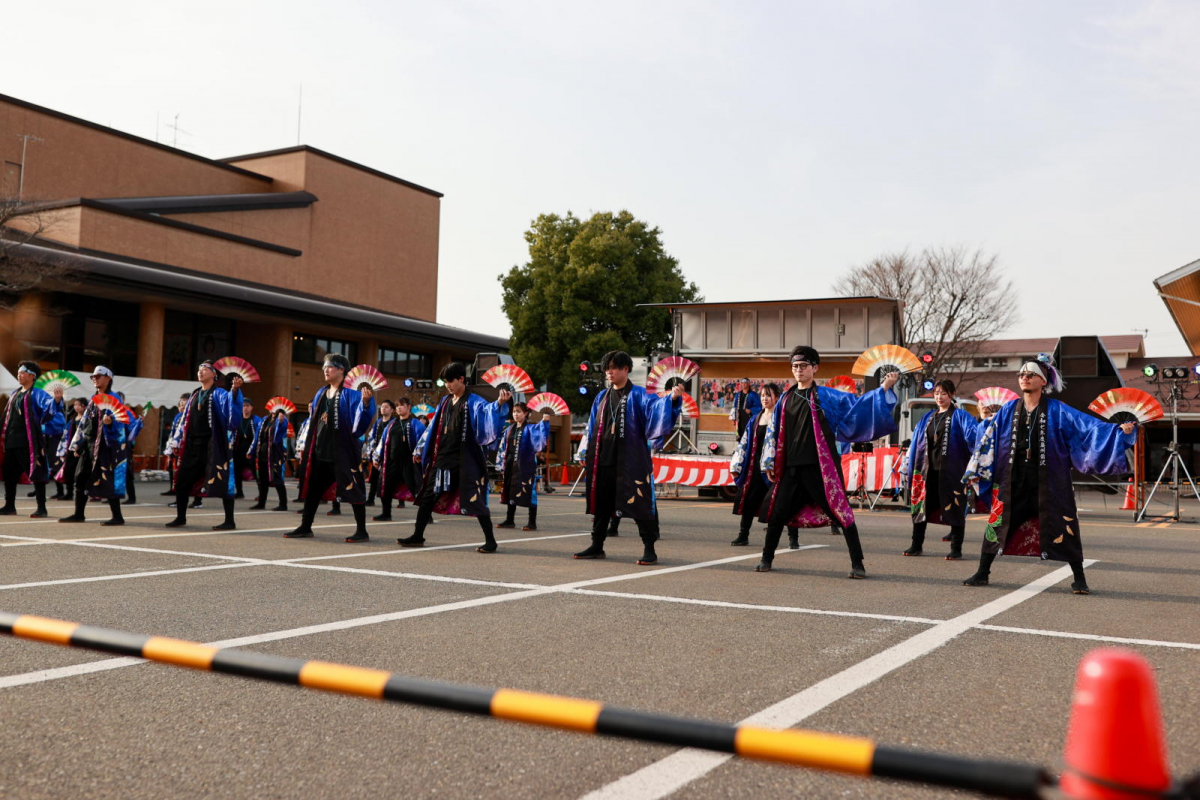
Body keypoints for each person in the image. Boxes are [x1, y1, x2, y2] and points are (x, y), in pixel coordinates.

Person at [961, 355, 1135, 595]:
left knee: (1064, 524)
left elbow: (1088, 428)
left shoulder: (1058, 410)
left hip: (1050, 480)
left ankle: (1079, 577)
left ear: (1043, 381)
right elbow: (988, 438)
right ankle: (983, 572)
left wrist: (1119, 432)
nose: (1024, 378)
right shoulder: (1009, 409)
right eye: (1021, 375)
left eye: (1030, 374)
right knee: (998, 522)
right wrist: (976, 468)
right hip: (1013, 478)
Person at [756, 346, 899, 578]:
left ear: (815, 368)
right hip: (791, 467)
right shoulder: (784, 398)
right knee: (777, 515)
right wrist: (769, 462)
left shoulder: (827, 396)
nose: (798, 370)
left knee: (841, 513)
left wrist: (884, 388)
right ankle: (766, 559)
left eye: (803, 366)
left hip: (820, 468)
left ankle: (858, 564)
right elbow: (773, 432)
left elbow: (858, 406)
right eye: (794, 366)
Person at [574, 350, 683, 565]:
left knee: (640, 501)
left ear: (626, 369)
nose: (609, 372)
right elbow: (591, 427)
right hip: (603, 458)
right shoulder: (601, 397)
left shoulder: (639, 395)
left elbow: (656, 410)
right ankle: (597, 545)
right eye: (607, 368)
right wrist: (584, 451)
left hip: (631, 460)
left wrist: (672, 399)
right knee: (602, 504)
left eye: (613, 367)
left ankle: (649, 547)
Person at [397, 362, 510, 552]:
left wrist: (499, 404)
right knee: (427, 497)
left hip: (465, 460)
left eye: (451, 381)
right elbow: (433, 428)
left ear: (461, 380)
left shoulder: (474, 401)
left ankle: (491, 541)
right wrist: (420, 449)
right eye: (446, 381)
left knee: (475, 499)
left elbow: (487, 414)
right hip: (442, 458)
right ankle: (418, 535)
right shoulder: (444, 401)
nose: (448, 385)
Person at [286, 354, 376, 542]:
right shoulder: (321, 392)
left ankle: (362, 530)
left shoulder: (352, 392)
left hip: (343, 450)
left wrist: (366, 404)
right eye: (324, 367)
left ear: (342, 369)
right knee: (313, 490)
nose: (325, 370)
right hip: (321, 450)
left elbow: (360, 424)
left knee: (354, 487)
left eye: (330, 367)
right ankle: (305, 526)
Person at [902, 380, 978, 560]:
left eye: (943, 393)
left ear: (951, 395)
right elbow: (915, 443)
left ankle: (956, 547)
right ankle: (916, 544)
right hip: (926, 471)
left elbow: (975, 438)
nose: (939, 397)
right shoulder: (927, 418)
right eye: (936, 393)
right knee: (921, 506)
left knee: (956, 508)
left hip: (952, 471)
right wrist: (907, 464)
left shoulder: (961, 416)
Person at [165, 361, 244, 530]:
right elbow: (184, 420)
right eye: (199, 369)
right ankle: (180, 517)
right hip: (192, 445)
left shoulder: (219, 393)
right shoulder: (194, 394)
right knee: (182, 481)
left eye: (205, 369)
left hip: (212, 445)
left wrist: (235, 390)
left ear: (214, 375)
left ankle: (229, 520)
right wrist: (177, 440)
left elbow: (230, 407)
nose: (201, 372)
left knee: (222, 478)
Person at [729, 383, 799, 548]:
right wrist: (737, 465)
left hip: (777, 468)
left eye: (768, 395)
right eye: (762, 395)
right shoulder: (755, 419)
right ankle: (743, 534)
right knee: (749, 500)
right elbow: (744, 443)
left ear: (776, 397)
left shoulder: (783, 417)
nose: (764, 399)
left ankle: (793, 538)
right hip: (755, 468)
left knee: (784, 503)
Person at [58, 366, 130, 526]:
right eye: (93, 377)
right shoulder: (93, 399)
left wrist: (110, 424)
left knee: (108, 478)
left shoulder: (115, 399)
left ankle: (117, 516)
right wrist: (77, 444)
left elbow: (122, 427)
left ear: (108, 378)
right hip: (89, 446)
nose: (95, 379)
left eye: (98, 376)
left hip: (107, 447)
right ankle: (78, 514)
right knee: (80, 477)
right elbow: (84, 424)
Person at [1, 362, 63, 518]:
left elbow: (48, 409)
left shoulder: (37, 394)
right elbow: (6, 417)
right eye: (18, 372)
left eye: (22, 372)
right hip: (11, 441)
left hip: (29, 441)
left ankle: (41, 508)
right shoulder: (14, 393)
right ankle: (9, 505)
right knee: (9, 475)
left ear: (32, 375)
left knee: (36, 473)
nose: (19, 374)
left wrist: (56, 401)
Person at [496, 402, 551, 531]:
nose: (516, 414)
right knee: (511, 490)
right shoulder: (509, 429)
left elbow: (541, 434)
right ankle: (510, 520)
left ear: (525, 413)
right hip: (510, 464)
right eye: (514, 411)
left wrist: (545, 421)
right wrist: (502, 465)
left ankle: (532, 522)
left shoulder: (530, 428)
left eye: (519, 411)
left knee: (529, 491)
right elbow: (503, 447)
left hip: (526, 465)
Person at [372, 398, 426, 522]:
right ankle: (386, 513)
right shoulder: (392, 424)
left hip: (409, 461)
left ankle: (426, 515)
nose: (399, 408)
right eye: (397, 406)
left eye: (401, 405)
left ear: (409, 407)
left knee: (416, 488)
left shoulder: (415, 423)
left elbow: (423, 440)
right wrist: (377, 457)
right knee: (385, 487)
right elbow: (382, 442)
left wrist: (418, 453)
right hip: (391, 461)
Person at [249, 406, 289, 511]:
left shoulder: (282, 420)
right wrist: (251, 450)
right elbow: (257, 436)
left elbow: (281, 432)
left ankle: (283, 504)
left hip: (275, 454)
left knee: (277, 478)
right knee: (262, 479)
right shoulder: (264, 420)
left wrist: (280, 422)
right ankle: (261, 503)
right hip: (262, 452)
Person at [55, 397, 88, 503]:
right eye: (75, 405)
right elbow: (65, 435)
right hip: (71, 449)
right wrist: (62, 451)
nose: (76, 407)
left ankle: (87, 492)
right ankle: (69, 493)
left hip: (83, 449)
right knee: (68, 471)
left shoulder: (88, 419)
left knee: (82, 472)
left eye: (79, 405)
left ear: (84, 406)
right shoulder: (72, 419)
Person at [363, 404, 390, 507]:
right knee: (374, 478)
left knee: (390, 479)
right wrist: (372, 452)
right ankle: (370, 499)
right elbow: (371, 437)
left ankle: (399, 500)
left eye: (386, 407)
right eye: (382, 406)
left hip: (388, 454)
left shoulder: (393, 423)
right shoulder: (378, 423)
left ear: (391, 409)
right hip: (378, 454)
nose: (383, 408)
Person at [234, 398, 257, 499]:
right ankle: (239, 492)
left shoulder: (256, 420)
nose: (245, 408)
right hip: (239, 450)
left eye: (247, 406)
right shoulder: (237, 419)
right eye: (243, 406)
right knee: (237, 472)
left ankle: (261, 494)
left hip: (251, 449)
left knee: (256, 473)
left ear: (252, 407)